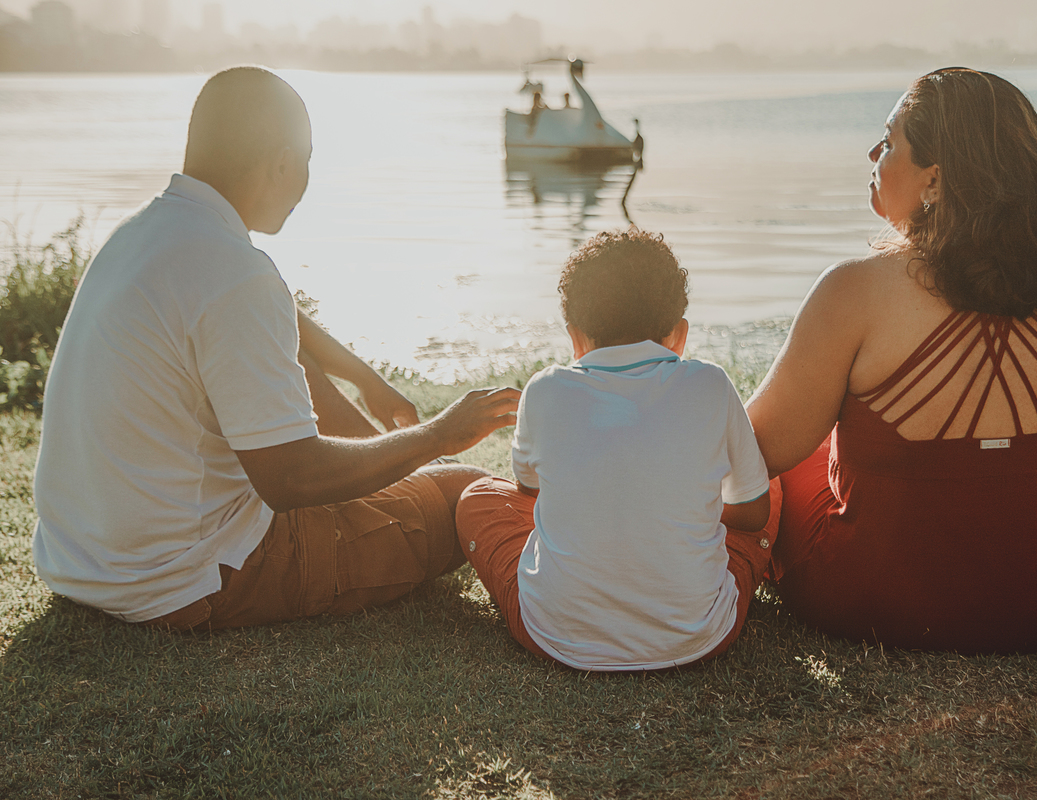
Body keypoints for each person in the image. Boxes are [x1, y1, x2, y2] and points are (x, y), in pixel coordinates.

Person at [32, 66, 520, 631]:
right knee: (467, 490)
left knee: (326, 395)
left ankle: (396, 471)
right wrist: (438, 434)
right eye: (307, 162)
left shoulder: (146, 233)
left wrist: (362, 375)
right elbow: (291, 481)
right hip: (186, 577)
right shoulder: (236, 272)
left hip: (81, 561)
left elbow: (278, 315)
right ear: (284, 162)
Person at [746, 67, 1037, 654]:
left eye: (890, 141)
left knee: (798, 460)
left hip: (875, 602)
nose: (873, 151)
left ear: (936, 181)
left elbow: (755, 448)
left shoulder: (855, 289)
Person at [456, 229, 781, 670]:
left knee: (477, 500)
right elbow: (754, 514)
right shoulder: (711, 384)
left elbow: (529, 493)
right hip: (699, 636)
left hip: (554, 636)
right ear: (679, 335)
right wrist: (682, 506)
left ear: (575, 337)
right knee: (772, 487)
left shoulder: (544, 391)